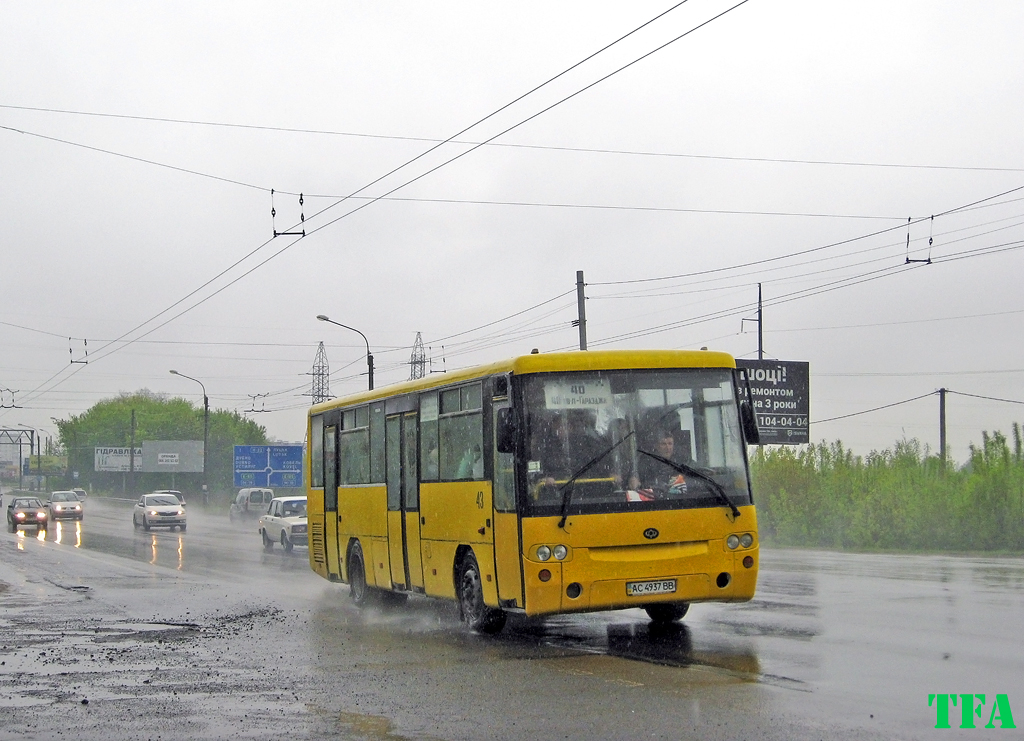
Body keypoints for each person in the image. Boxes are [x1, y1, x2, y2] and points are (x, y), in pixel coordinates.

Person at [629, 429, 687, 499]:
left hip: (680, 499)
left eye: (670, 444)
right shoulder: (646, 462)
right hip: (655, 499)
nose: (667, 447)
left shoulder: (682, 460)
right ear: (656, 446)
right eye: (663, 444)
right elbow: (642, 483)